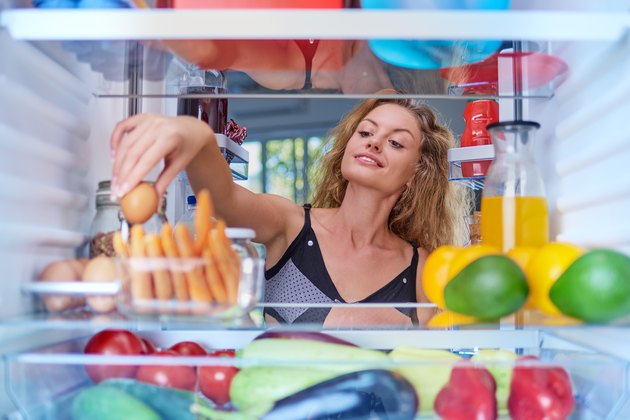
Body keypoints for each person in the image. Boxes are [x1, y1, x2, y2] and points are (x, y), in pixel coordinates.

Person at [110, 93, 470, 327]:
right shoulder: (290, 225)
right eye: (365, 133)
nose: (374, 142)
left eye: (394, 142)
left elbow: (433, 367)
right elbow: (224, 199)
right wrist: (196, 135)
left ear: (415, 175)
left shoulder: (421, 266)